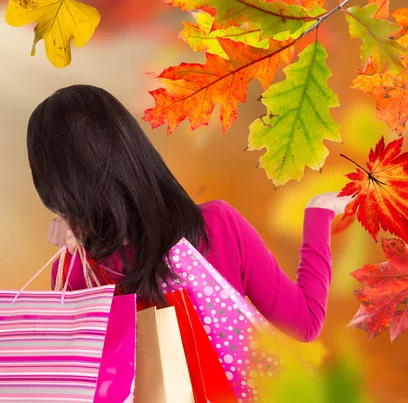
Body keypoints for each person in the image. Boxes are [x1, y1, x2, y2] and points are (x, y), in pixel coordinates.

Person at [27, 84, 352, 342]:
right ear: (131, 145)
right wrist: (319, 212)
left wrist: (75, 237)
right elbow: (304, 324)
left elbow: (83, 379)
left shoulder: (77, 272)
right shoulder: (216, 226)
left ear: (54, 185)